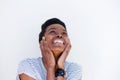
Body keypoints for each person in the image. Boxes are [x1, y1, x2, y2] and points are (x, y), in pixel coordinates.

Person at [16, 18, 82, 80]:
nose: (59, 35)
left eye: (64, 33)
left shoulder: (74, 69)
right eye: (52, 32)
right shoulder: (27, 66)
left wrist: (60, 66)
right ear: (42, 40)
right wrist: (50, 66)